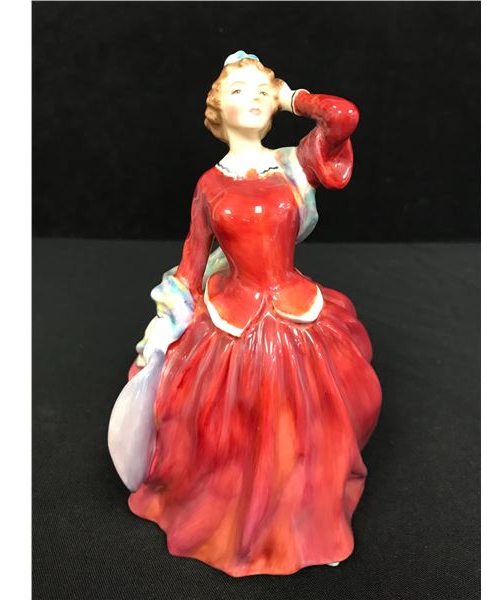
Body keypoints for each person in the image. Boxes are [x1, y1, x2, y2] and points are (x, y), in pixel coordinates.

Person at [120, 51, 382, 577]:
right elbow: (192, 263)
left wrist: (291, 97)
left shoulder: (293, 164)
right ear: (217, 107)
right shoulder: (209, 185)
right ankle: (239, 524)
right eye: (238, 90)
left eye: (262, 90)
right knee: (232, 430)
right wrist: (163, 328)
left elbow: (343, 116)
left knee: (309, 426)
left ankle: (306, 519)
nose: (254, 98)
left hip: (295, 312)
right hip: (233, 319)